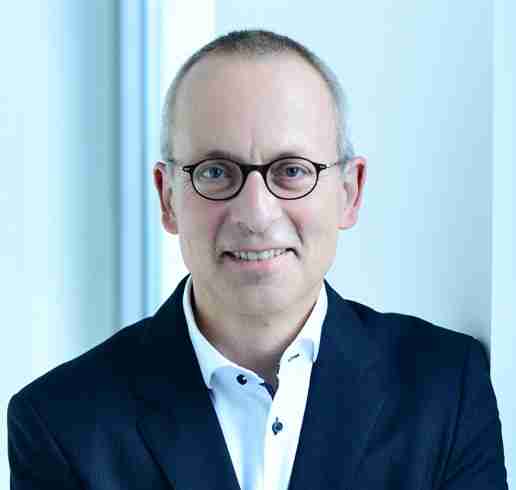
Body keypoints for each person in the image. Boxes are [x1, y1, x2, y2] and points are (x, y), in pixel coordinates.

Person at [7, 29, 507, 490]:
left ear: (349, 192)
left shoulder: (446, 387)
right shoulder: (60, 423)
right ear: (168, 197)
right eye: (216, 171)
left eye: (292, 170)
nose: (255, 214)